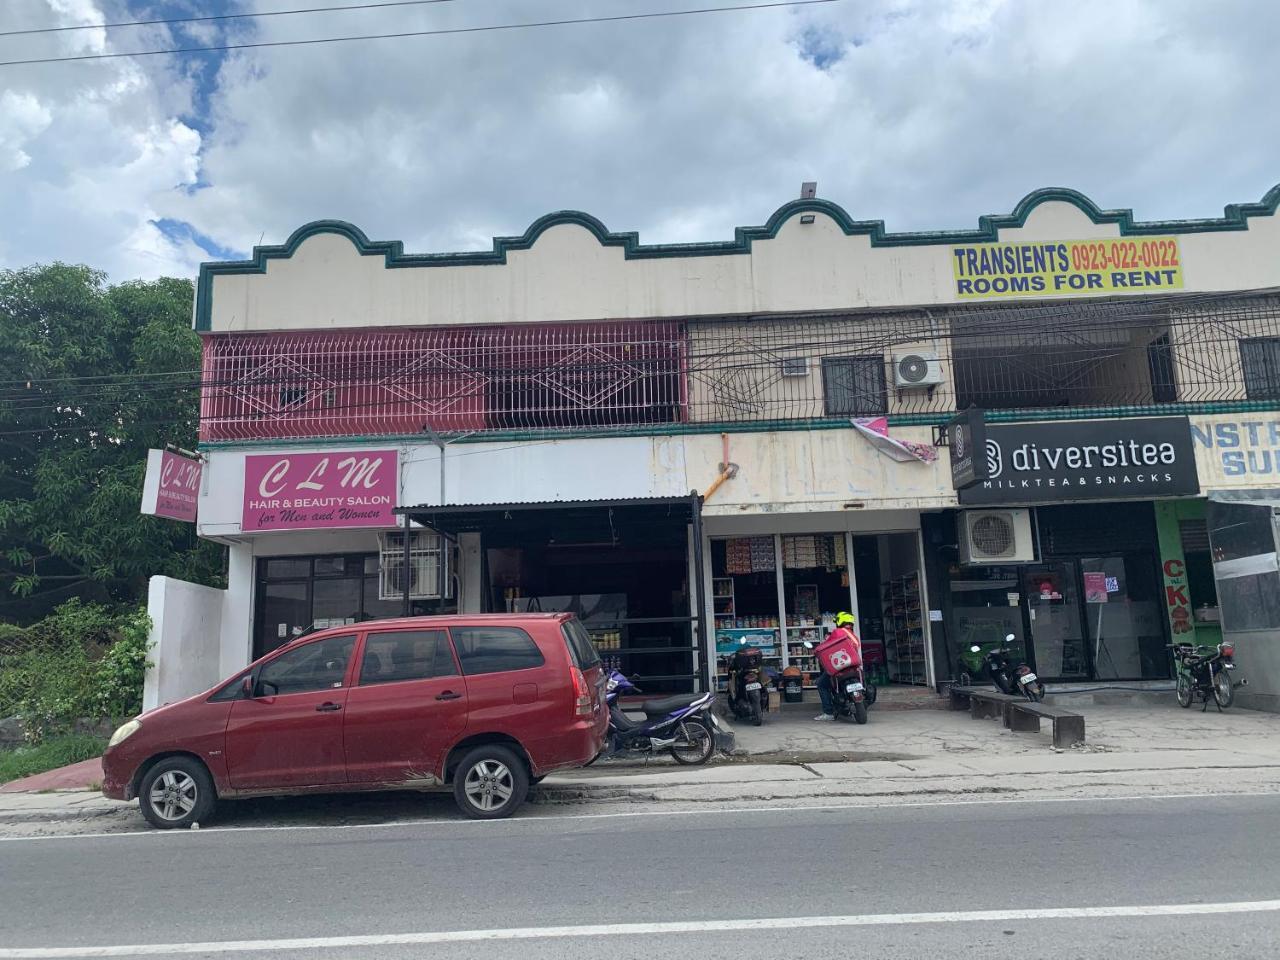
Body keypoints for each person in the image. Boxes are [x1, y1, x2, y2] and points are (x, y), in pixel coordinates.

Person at [815, 611, 861, 721]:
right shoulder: (853, 636)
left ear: (840, 621)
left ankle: (828, 712)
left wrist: (816, 650)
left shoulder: (838, 632)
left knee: (821, 684)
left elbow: (827, 645)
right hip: (853, 666)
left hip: (839, 667)